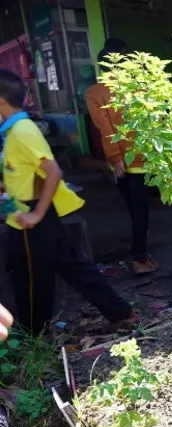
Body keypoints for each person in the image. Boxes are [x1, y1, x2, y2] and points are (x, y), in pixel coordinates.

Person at [0, 69, 135, 336]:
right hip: (33, 214)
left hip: (30, 219)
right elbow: (27, 170)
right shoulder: (15, 129)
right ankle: (120, 312)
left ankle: (33, 339)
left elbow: (53, 172)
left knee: (29, 281)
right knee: (73, 267)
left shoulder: (22, 132)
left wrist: (36, 214)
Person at [86, 38, 159, 275]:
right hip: (140, 159)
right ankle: (139, 258)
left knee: (133, 209)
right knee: (141, 211)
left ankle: (139, 256)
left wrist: (115, 158)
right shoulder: (139, 88)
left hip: (121, 161)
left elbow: (105, 129)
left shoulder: (94, 92)